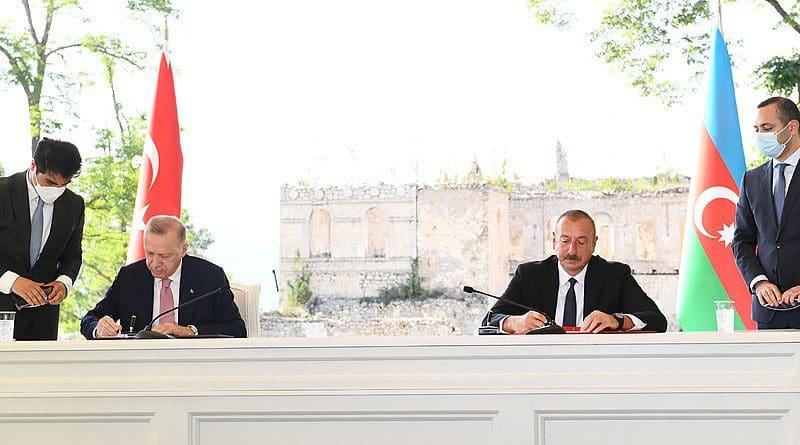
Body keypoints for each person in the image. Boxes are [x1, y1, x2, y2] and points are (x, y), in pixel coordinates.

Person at [482, 209, 668, 333]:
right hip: (540, 367)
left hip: (597, 369)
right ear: (554, 240)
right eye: (565, 241)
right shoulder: (529, 275)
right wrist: (515, 323)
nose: (572, 251)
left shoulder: (615, 276)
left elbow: (657, 320)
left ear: (594, 243)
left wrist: (617, 320)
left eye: (581, 242)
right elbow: (489, 320)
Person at [81, 215, 246, 339]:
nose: (154, 263)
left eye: (164, 256)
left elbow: (236, 329)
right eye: (149, 253)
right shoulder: (130, 277)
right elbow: (90, 319)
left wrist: (189, 331)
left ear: (183, 250)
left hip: (194, 366)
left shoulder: (210, 277)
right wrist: (98, 328)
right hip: (139, 367)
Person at [0, 138, 84, 340]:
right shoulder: (3, 193)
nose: (56, 190)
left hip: (43, 319)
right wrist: (13, 281)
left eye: (64, 184)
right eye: (50, 182)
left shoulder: (74, 205)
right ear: (33, 165)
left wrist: (64, 283)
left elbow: (73, 255)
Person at [733, 96, 800, 329]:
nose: (761, 135)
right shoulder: (751, 179)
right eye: (757, 129)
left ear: (792, 127)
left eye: (768, 128)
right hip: (769, 313)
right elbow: (741, 240)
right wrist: (759, 282)